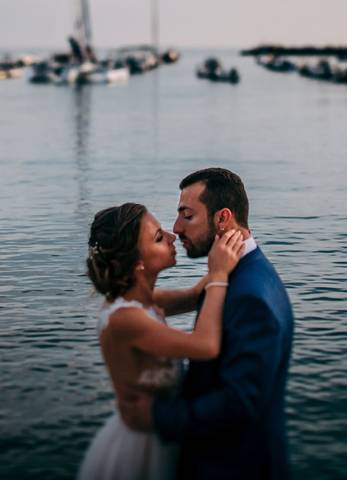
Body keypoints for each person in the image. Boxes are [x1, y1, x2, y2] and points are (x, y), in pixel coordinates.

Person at [119, 168, 294, 479]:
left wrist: (157, 416)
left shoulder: (249, 296)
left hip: (233, 468)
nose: (176, 228)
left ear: (222, 218)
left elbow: (238, 403)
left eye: (187, 216)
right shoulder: (235, 276)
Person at [78, 202, 246, 480]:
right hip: (141, 450)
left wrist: (229, 242)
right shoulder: (126, 319)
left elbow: (195, 296)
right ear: (137, 262)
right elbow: (206, 345)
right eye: (158, 237)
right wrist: (218, 274)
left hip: (164, 431)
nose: (171, 236)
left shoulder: (144, 301)